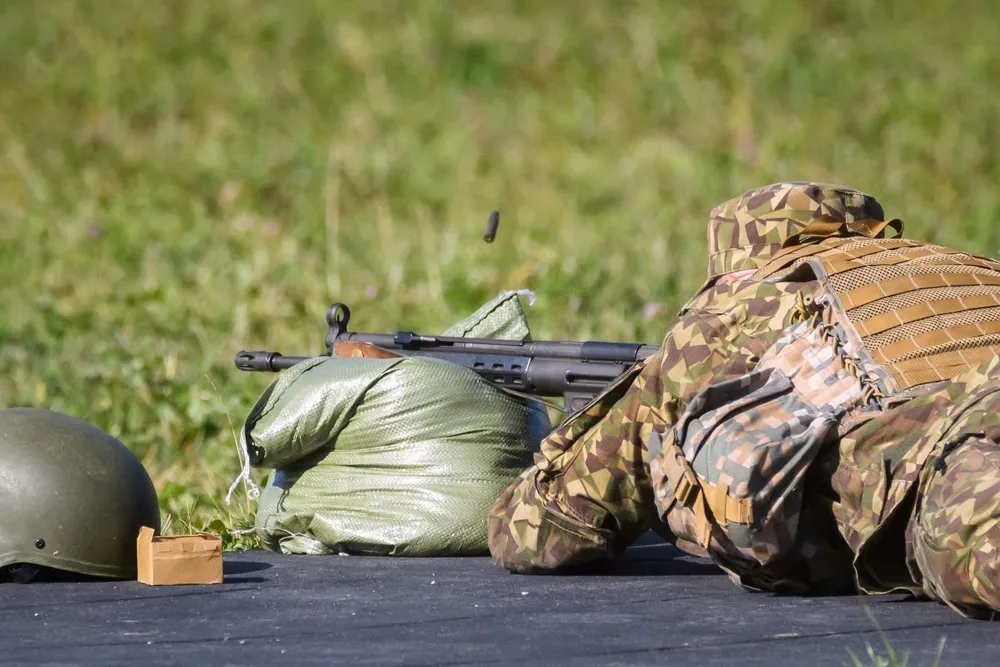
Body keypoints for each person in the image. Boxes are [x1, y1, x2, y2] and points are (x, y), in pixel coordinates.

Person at [487, 181, 1000, 619]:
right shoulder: (962, 271)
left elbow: (544, 530)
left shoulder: (739, 306)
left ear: (732, 270)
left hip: (958, 449)